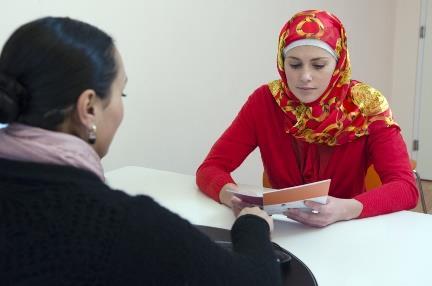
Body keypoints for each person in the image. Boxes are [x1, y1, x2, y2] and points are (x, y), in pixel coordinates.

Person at [0, 17, 282, 285]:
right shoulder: (122, 225)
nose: (305, 77)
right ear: (89, 108)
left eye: (318, 65)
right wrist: (252, 226)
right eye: (120, 94)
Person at [196, 9, 418, 228]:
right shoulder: (266, 101)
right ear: (282, 64)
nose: (305, 76)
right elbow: (211, 168)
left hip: (347, 229)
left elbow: (405, 187)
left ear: (339, 64)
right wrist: (232, 197)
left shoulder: (367, 105)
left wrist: (345, 209)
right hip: (284, 230)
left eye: (319, 65)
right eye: (294, 64)